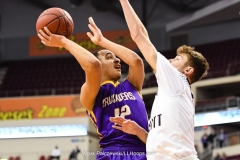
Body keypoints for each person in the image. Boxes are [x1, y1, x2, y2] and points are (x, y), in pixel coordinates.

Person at [37, 17, 148, 160]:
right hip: (111, 153)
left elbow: (137, 62)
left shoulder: (131, 85)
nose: (117, 60)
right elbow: (93, 65)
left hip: (141, 150)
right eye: (109, 57)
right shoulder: (92, 94)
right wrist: (64, 42)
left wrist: (103, 41)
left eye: (116, 57)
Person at [111, 0, 209, 159]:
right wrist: (138, 131)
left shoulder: (177, 80)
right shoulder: (172, 91)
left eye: (177, 59)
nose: (170, 60)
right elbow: (159, 145)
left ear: (188, 70)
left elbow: (138, 35)